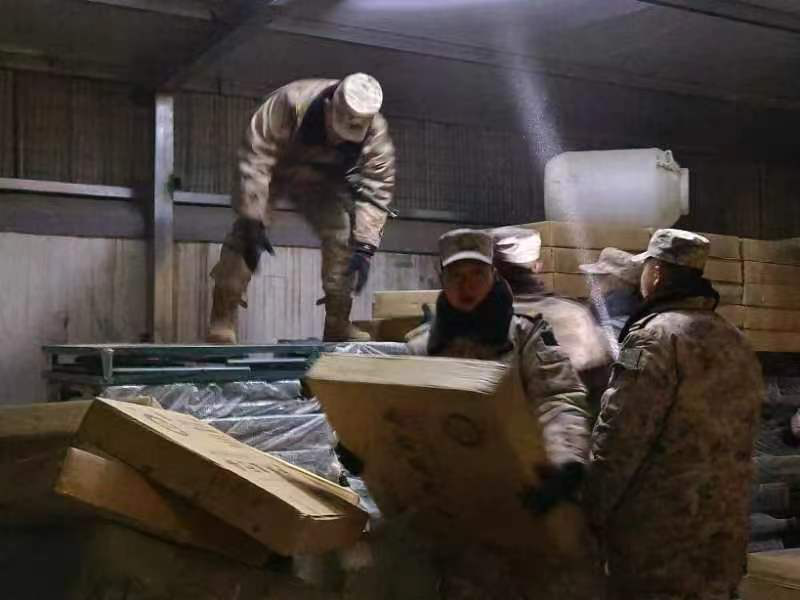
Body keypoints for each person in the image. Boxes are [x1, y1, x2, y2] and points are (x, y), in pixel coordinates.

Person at [407, 228, 598, 599]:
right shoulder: (420, 348)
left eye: (477, 274)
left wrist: (566, 463)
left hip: (526, 495)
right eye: (456, 275)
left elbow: (558, 398)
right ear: (442, 280)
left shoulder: (526, 336)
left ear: (493, 276)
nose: (467, 285)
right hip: (460, 512)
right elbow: (398, 412)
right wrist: (365, 451)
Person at [584, 228, 765, 600]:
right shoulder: (736, 340)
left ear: (656, 274)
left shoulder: (654, 338)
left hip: (660, 546)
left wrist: (589, 513)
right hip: (722, 537)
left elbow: (622, 437)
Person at [207, 73, 396, 343]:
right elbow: (255, 156)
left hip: (322, 180)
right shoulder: (289, 102)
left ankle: (337, 324)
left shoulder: (375, 130)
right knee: (245, 237)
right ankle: (222, 320)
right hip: (273, 170)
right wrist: (253, 216)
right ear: (329, 106)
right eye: (337, 129)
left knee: (343, 236)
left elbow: (378, 186)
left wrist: (366, 246)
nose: (340, 139)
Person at [490, 226, 612, 416]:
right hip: (565, 423)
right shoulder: (571, 315)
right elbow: (599, 384)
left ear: (492, 269)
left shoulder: (473, 316)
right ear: (536, 266)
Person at [579, 247, 642, 351]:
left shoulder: (618, 321)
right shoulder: (605, 312)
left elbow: (592, 354)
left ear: (615, 281)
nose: (592, 283)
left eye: (598, 278)